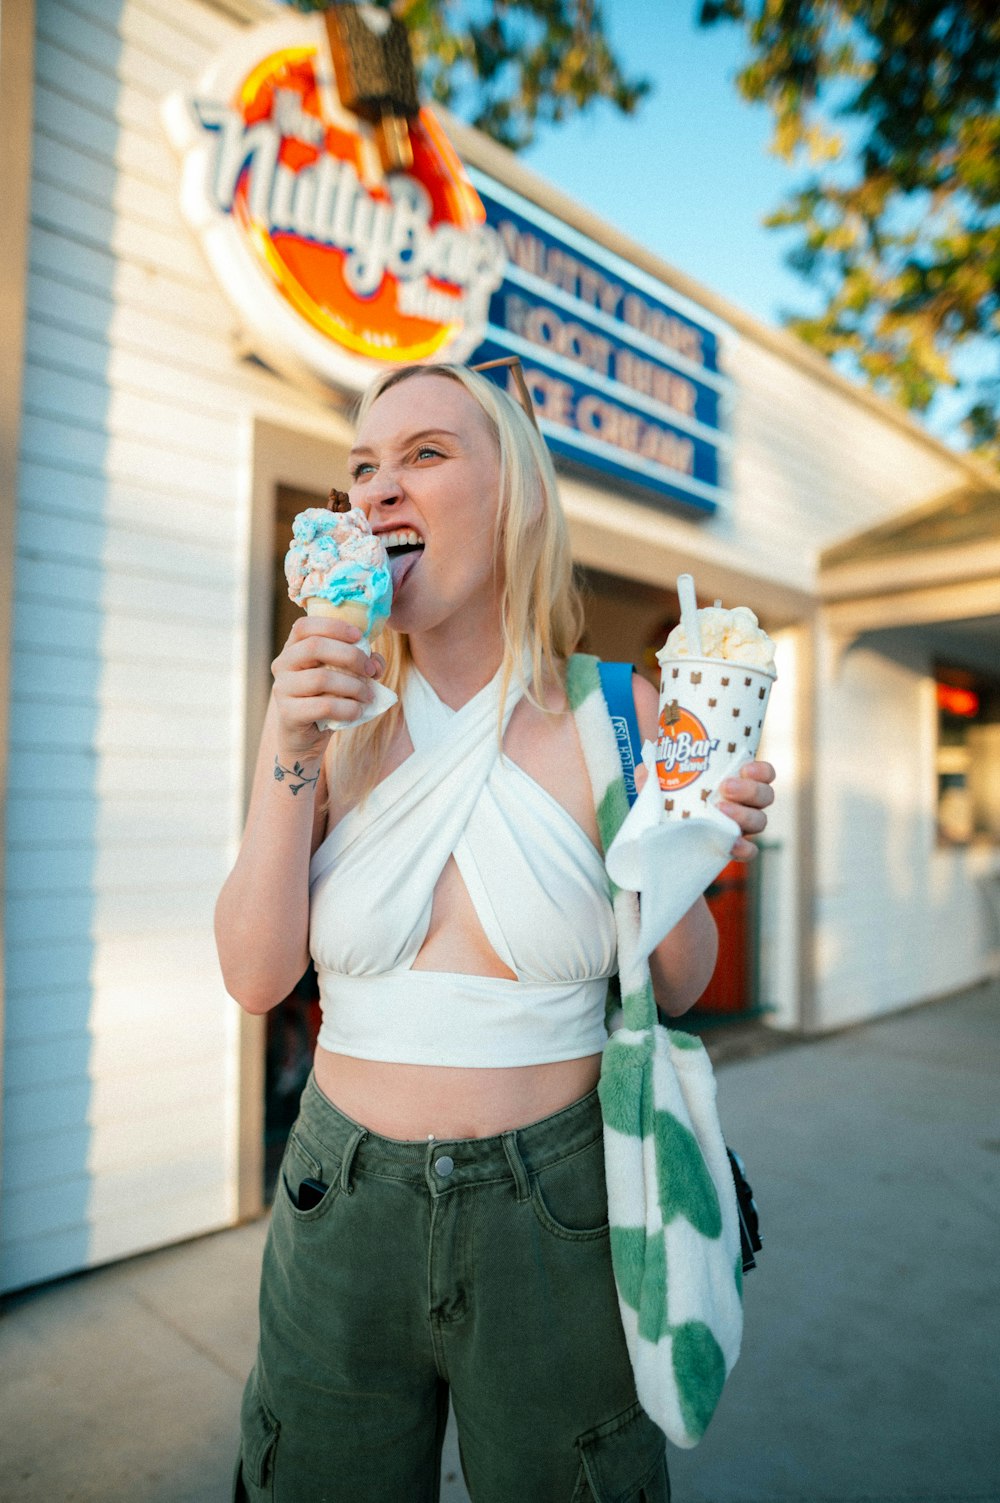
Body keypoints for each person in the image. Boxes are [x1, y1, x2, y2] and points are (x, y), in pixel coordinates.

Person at [215, 362, 775, 1503]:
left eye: (424, 455)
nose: (377, 492)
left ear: (514, 495)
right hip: (339, 1200)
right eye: (361, 468)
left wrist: (691, 849)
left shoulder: (626, 715)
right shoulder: (334, 721)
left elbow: (675, 987)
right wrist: (287, 743)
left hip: (557, 1210)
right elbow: (254, 971)